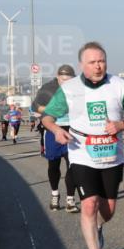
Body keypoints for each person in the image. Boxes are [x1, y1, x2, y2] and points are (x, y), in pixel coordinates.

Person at [42, 42, 124, 249]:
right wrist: (56, 130)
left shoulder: (119, 86)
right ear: (82, 65)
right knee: (89, 204)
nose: (98, 66)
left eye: (102, 61)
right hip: (81, 151)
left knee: (108, 210)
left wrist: (122, 124)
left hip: (111, 153)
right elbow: (47, 117)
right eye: (93, 62)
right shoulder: (70, 88)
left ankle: (98, 228)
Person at [34, 65, 80, 212]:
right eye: (63, 80)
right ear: (57, 77)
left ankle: (70, 199)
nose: (66, 83)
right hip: (53, 129)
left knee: (72, 165)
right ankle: (55, 194)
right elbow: (35, 106)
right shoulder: (48, 88)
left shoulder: (79, 88)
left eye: (69, 80)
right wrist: (52, 110)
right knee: (53, 165)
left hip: (72, 130)